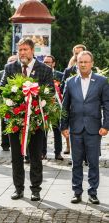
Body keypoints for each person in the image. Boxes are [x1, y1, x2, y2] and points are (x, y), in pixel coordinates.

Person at [0, 38, 54, 201]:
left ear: (32, 51)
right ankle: (18, 188)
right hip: (15, 120)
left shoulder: (44, 69)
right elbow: (1, 88)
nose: (22, 53)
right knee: (16, 156)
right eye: (20, 50)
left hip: (36, 120)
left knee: (35, 156)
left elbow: (50, 91)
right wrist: (12, 96)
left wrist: (37, 97)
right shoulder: (10, 68)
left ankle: (35, 189)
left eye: (25, 50)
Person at [61, 51, 109, 205]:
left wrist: (106, 125)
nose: (83, 64)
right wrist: (64, 126)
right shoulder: (70, 82)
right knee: (76, 162)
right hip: (75, 128)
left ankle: (93, 192)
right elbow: (65, 106)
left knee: (94, 162)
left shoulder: (101, 81)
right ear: (77, 63)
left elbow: (107, 105)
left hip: (94, 129)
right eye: (80, 62)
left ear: (92, 63)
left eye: (86, 62)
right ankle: (77, 192)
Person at [61, 44, 87, 155]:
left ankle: (86, 152)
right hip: (72, 105)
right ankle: (69, 147)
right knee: (71, 128)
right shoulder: (68, 70)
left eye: (80, 53)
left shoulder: (91, 69)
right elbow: (62, 87)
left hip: (86, 106)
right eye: (76, 53)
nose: (78, 55)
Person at [42, 55, 63, 161]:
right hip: (44, 106)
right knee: (43, 130)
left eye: (48, 62)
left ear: (53, 63)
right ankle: (43, 152)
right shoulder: (41, 73)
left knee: (57, 130)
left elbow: (63, 90)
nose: (46, 64)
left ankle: (58, 152)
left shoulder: (59, 75)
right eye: (45, 62)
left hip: (56, 106)